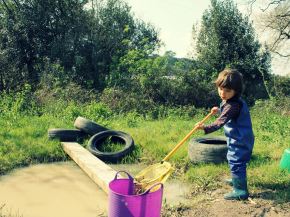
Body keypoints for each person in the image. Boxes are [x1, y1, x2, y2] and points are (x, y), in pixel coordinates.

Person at [196, 68, 254, 200]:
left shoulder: (233, 106)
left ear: (236, 91)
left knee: (236, 161)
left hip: (240, 139)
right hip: (240, 136)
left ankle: (240, 190)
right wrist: (219, 109)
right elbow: (226, 108)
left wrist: (205, 127)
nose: (223, 93)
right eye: (220, 89)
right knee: (234, 159)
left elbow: (220, 122)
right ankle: (236, 179)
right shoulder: (232, 101)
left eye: (227, 91)